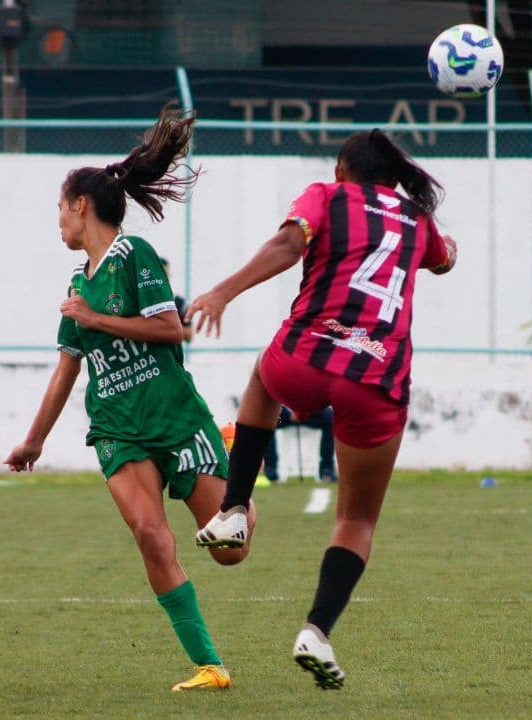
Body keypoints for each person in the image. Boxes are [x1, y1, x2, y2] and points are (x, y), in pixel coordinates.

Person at [187, 129, 457, 689]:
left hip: (307, 354)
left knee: (264, 373)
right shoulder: (416, 219)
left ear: (342, 170)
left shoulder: (325, 197)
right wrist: (440, 243)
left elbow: (289, 247)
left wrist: (221, 293)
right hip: (377, 377)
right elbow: (445, 260)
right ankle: (317, 629)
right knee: (356, 519)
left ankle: (235, 509)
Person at [3, 105, 253, 693]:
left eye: (60, 209)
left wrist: (97, 318)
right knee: (150, 535)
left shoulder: (133, 256)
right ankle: (209, 666)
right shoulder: (76, 284)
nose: (58, 221)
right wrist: (32, 440)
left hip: (173, 416)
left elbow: (172, 330)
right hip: (117, 426)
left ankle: (236, 446)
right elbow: (68, 367)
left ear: (81, 206)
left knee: (230, 553)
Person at [261, 406, 336, 483]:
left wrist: (301, 413)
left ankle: (326, 470)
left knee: (330, 416)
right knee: (266, 418)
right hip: (282, 414)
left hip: (308, 412)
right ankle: (270, 470)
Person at [159, 257, 193, 342]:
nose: (162, 277)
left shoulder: (180, 303)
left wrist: (160, 330)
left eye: (165, 273)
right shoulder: (144, 301)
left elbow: (189, 334)